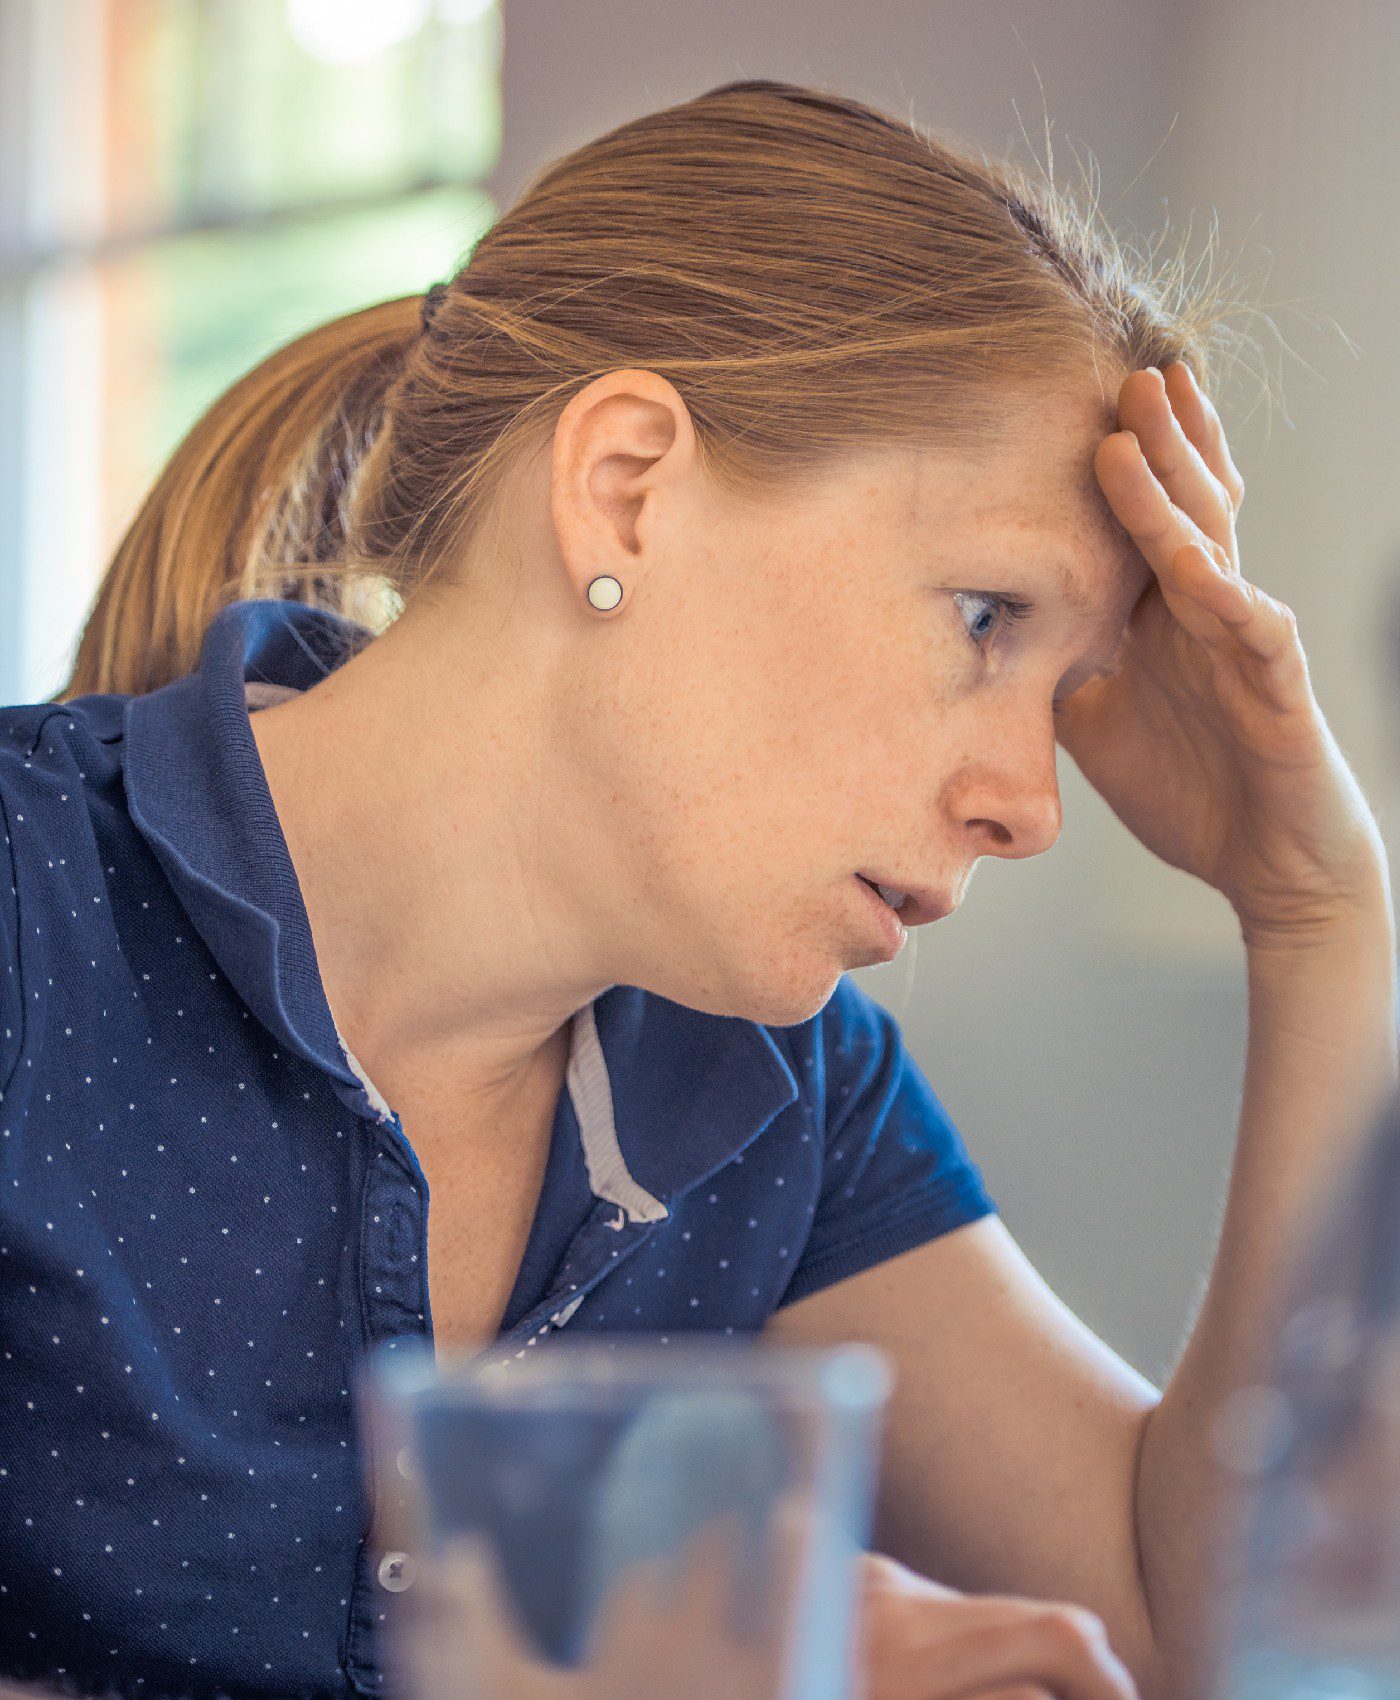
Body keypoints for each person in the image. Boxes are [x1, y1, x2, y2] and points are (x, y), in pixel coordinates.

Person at [0, 74, 1393, 1700]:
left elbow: (1216, 1638)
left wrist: (1320, 914)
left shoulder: (776, 1091)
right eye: (985, 621)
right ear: (626, 485)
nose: (1030, 808)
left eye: (1068, 690)